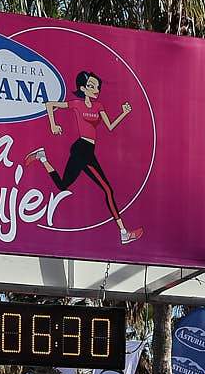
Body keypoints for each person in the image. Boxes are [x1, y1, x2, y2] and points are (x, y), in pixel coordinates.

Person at [28, 70, 143, 245]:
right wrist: (53, 124)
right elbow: (49, 105)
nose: (95, 89)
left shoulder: (99, 106)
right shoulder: (77, 104)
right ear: (83, 88)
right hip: (82, 149)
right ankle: (123, 233)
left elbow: (110, 126)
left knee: (62, 185)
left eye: (97, 86)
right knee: (107, 189)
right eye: (91, 86)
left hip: (88, 150)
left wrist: (124, 113)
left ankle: (42, 157)